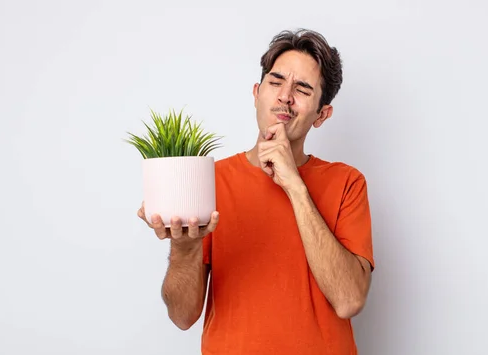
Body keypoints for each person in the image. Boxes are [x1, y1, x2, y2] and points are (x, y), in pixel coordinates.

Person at [137, 28, 375, 355]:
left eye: (303, 88)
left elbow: (349, 300)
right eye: (275, 82)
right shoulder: (210, 178)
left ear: (322, 115)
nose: (285, 96)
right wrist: (185, 247)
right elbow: (182, 316)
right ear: (256, 93)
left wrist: (294, 185)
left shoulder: (347, 182)